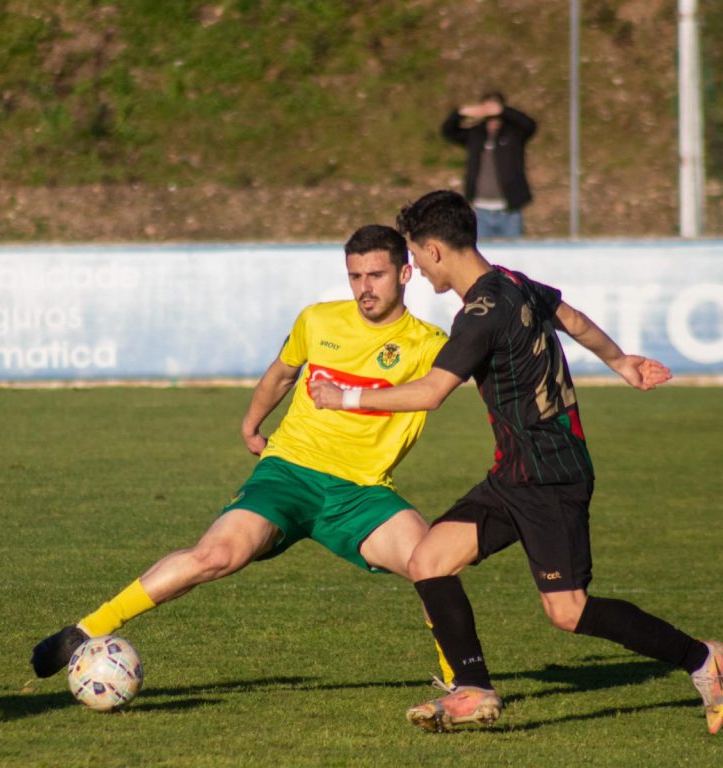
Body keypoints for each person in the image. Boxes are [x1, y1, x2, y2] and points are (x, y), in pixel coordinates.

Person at [309, 190, 722, 735]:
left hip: (550, 476)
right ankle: (473, 689)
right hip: (513, 474)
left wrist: (345, 398)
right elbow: (573, 319)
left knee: (568, 611)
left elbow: (432, 392)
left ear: (434, 251)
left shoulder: (479, 315)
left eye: (417, 255)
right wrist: (620, 361)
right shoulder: (514, 281)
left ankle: (704, 658)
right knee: (429, 560)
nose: (420, 268)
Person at [29, 224, 452, 682]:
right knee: (216, 555)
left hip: (362, 490)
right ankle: (86, 630)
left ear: (405, 273)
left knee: (431, 564)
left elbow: (445, 386)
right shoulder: (318, 320)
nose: (364, 288)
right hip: (289, 472)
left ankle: (460, 682)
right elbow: (282, 374)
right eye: (355, 276)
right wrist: (252, 424)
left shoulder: (429, 344)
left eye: (376, 275)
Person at [441, 91, 536, 239]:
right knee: (481, 251)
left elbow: (530, 125)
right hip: (481, 211)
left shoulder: (514, 133)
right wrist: (461, 112)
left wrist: (504, 111)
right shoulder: (476, 134)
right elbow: (448, 131)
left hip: (509, 211)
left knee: (513, 251)